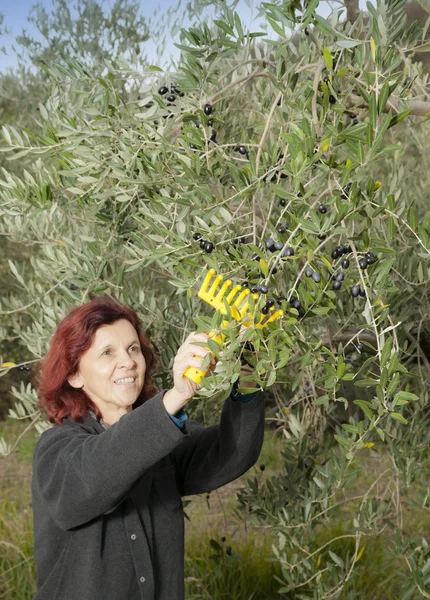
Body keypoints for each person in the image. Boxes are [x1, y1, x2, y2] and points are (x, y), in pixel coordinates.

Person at [30, 294, 265, 600]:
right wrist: (176, 396)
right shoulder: (57, 450)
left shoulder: (163, 441)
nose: (127, 361)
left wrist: (246, 369)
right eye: (107, 353)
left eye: (132, 349)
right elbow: (98, 473)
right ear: (75, 375)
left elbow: (229, 453)